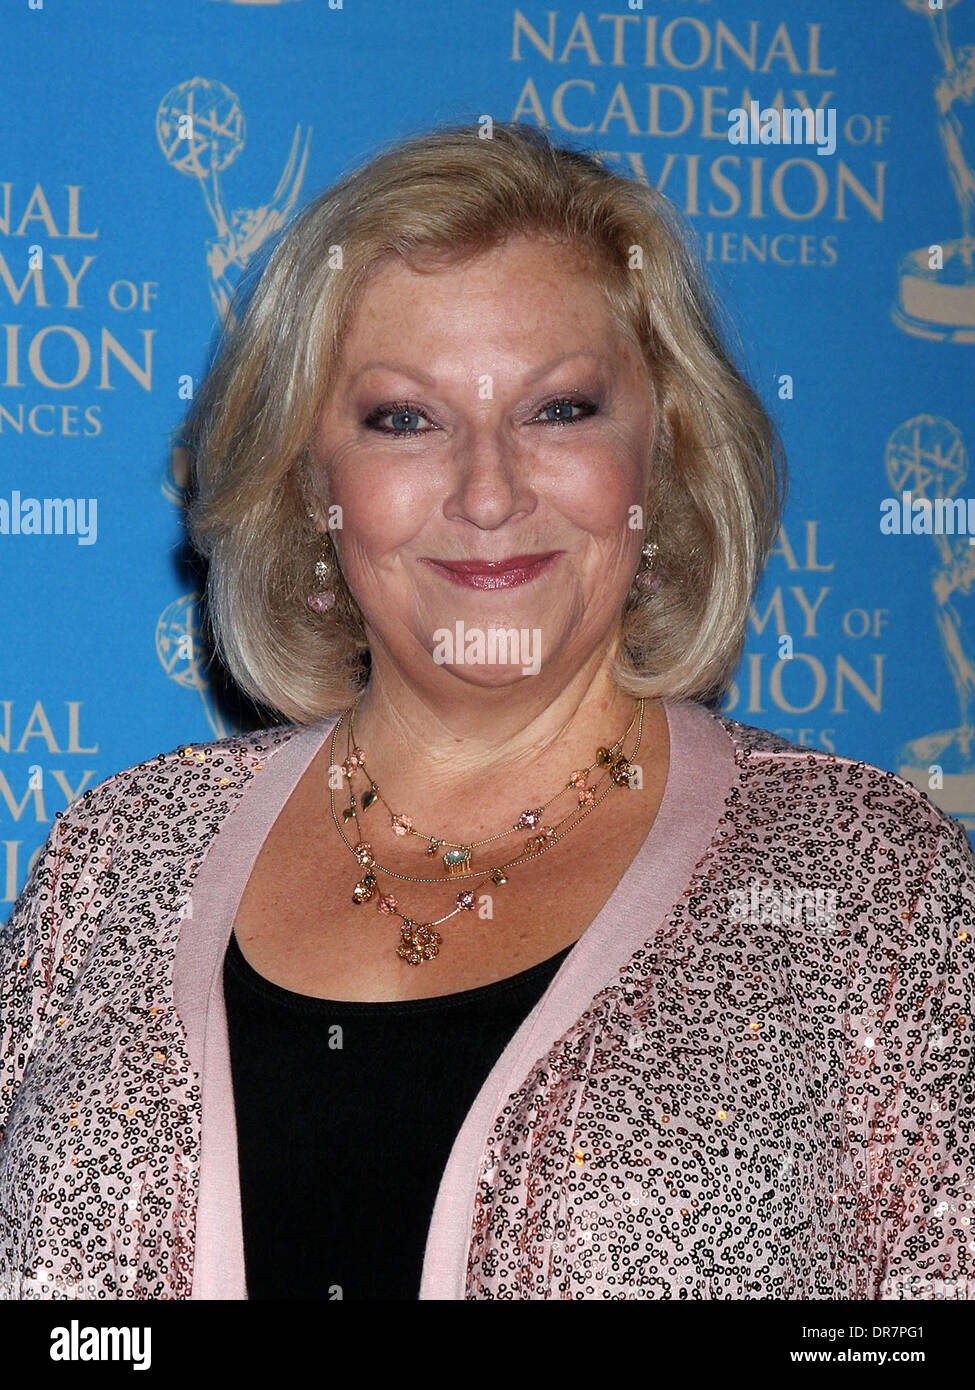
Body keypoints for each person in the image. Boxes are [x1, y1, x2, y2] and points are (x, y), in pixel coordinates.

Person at [1, 121, 972, 1302]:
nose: (488, 489)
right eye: (403, 419)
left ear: (657, 460)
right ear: (314, 482)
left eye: (558, 410)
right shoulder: (119, 862)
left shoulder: (870, 885)